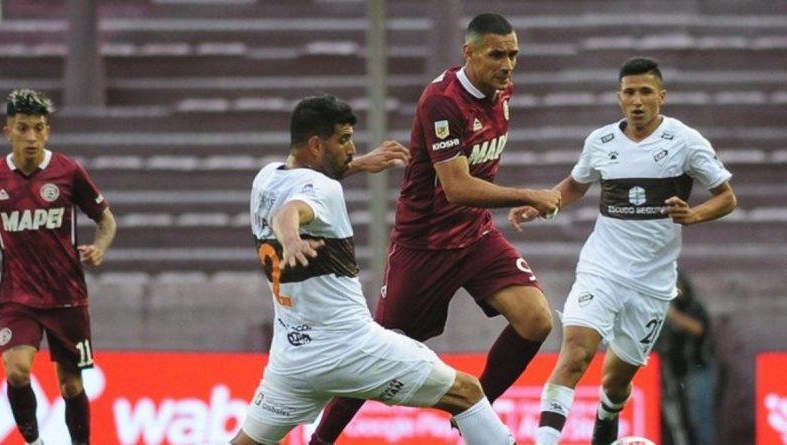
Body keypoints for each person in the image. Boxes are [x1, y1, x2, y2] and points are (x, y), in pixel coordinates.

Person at [310, 12, 561, 444]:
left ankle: (474, 412)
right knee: (378, 350)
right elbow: (457, 187)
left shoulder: (502, 90)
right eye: (496, 55)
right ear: (469, 53)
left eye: (513, 54)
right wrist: (528, 195)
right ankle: (320, 441)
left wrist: (514, 200)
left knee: (536, 320)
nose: (507, 65)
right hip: (424, 245)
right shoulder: (442, 101)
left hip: (475, 235)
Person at [232, 94, 518, 445]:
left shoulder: (266, 178)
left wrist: (359, 164)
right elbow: (289, 211)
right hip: (349, 346)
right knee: (468, 392)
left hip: (292, 360)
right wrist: (291, 239)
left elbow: (299, 189)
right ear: (316, 145)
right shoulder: (320, 191)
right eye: (343, 140)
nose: (352, 148)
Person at [509, 56, 737, 445]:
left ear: (661, 96)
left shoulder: (685, 141)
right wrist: (541, 203)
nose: (637, 101)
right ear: (619, 97)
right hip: (602, 267)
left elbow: (727, 197)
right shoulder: (600, 142)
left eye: (645, 92)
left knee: (615, 384)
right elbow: (577, 184)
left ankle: (607, 414)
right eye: (629, 92)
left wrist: (694, 214)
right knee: (575, 353)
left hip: (652, 283)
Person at [0, 89, 117, 445]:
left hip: (67, 298)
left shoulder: (68, 172)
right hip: (18, 296)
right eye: (23, 128)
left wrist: (100, 248)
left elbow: (106, 220)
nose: (31, 137)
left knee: (71, 385)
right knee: (16, 372)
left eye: (38, 128)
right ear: (8, 132)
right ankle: (35, 442)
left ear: (47, 131)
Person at [658, 273, 719, 445]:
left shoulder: (694, 308)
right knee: (682, 419)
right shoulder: (668, 309)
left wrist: (672, 315)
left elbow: (699, 328)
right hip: (676, 372)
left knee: (699, 418)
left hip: (698, 370)